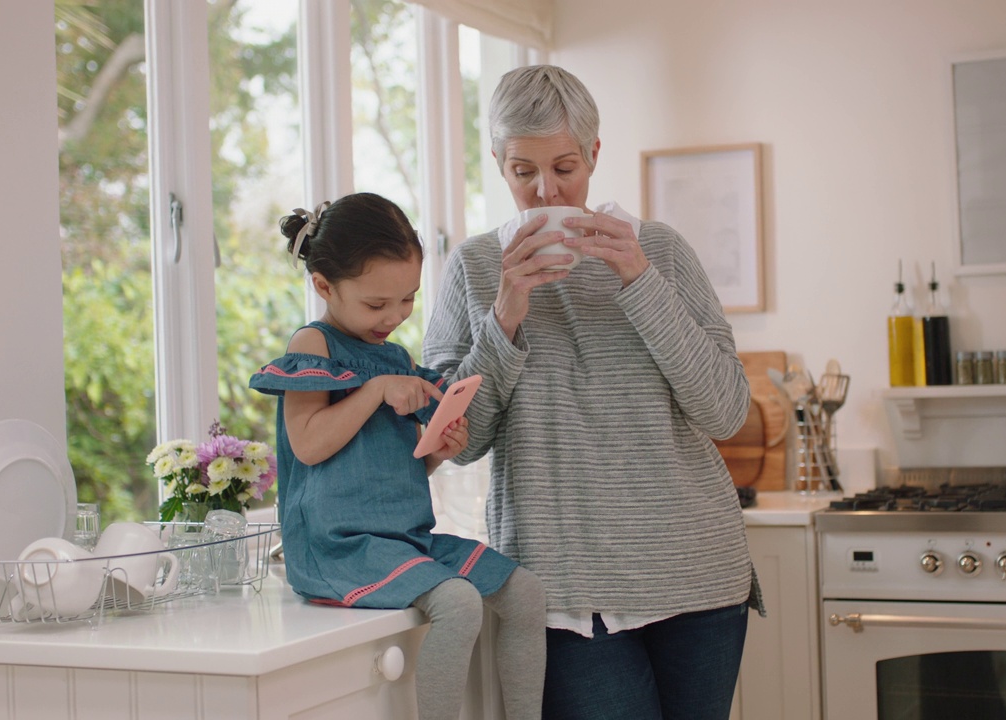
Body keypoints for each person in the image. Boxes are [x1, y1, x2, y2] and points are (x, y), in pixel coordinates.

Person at [422, 66, 760, 720]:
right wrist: (507, 314)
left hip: (698, 574)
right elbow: (458, 443)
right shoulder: (472, 267)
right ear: (497, 162)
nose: (545, 189)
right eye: (523, 171)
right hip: (566, 590)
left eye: (564, 167)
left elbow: (726, 409)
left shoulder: (659, 249)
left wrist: (638, 278)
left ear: (595, 155)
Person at [248, 192, 545, 720]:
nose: (395, 316)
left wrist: (437, 451)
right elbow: (310, 444)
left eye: (407, 299)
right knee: (458, 603)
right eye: (376, 304)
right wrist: (375, 390)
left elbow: (391, 462)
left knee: (523, 592)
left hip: (404, 538)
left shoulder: (394, 357)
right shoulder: (314, 344)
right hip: (337, 548)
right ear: (323, 286)